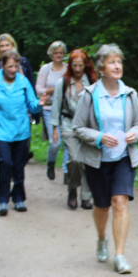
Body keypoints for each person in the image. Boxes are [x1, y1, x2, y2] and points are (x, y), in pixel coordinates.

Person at [72, 44, 138, 274]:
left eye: (119, 62)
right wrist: (100, 137)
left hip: (124, 158)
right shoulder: (89, 95)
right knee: (102, 206)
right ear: (102, 67)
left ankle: (120, 255)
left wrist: (135, 133)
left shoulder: (130, 94)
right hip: (97, 160)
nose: (117, 66)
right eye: (112, 62)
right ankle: (101, 238)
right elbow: (77, 127)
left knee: (120, 203)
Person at [0, 50, 43, 216]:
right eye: (10, 66)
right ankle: (3, 200)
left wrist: (40, 104)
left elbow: (32, 104)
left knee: (19, 165)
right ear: (2, 65)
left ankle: (19, 197)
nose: (13, 69)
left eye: (16, 66)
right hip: (1, 130)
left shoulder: (23, 81)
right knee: (5, 163)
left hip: (21, 130)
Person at [50, 48, 96, 210]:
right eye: (74, 66)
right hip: (69, 125)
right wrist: (55, 128)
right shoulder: (63, 82)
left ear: (85, 65)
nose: (77, 69)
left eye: (80, 65)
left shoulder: (92, 81)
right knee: (75, 160)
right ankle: (72, 190)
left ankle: (85, 197)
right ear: (70, 66)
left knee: (87, 162)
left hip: (88, 127)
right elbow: (56, 105)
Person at [35, 41, 67, 181]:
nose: (58, 55)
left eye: (60, 53)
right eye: (56, 53)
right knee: (55, 142)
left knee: (67, 141)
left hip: (66, 109)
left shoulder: (68, 69)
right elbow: (38, 90)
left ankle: (67, 172)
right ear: (51, 54)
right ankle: (51, 163)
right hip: (49, 108)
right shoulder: (45, 69)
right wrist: (54, 90)